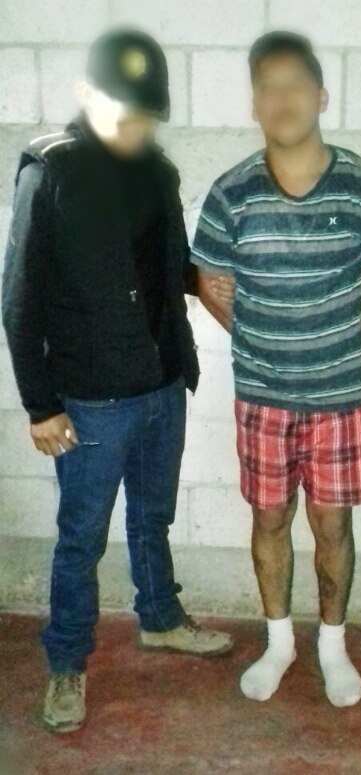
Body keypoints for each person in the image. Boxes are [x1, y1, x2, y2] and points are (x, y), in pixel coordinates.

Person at [2, 28, 232, 734]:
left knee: (152, 516)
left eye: (145, 116)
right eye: (122, 113)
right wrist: (40, 406)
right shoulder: (51, 171)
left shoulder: (157, 172)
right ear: (86, 95)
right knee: (82, 536)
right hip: (91, 397)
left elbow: (165, 264)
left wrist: (207, 283)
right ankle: (67, 660)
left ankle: (159, 616)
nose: (135, 129)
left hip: (162, 383)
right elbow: (19, 300)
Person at [191, 31, 361, 707]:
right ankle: (280, 643)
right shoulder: (231, 193)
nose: (282, 99)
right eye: (268, 87)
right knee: (269, 519)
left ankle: (332, 647)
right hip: (262, 396)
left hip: (340, 397)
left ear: (321, 96)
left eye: (295, 85)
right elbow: (207, 281)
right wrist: (265, 341)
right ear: (255, 103)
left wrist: (336, 345)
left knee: (333, 526)